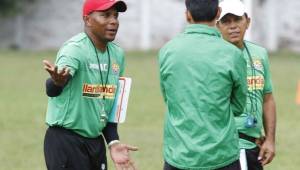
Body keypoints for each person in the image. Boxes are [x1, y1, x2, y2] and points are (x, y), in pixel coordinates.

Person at [42, 0, 138, 170]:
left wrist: (113, 142)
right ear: (87, 20)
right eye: (105, 15)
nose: (113, 21)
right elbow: (53, 88)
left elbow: (109, 104)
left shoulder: (117, 54)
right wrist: (57, 82)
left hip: (95, 142)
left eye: (115, 15)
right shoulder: (75, 49)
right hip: (66, 141)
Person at [158, 0, 248, 169]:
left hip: (179, 155)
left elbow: (169, 98)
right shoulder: (233, 54)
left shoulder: (167, 51)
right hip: (222, 156)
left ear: (187, 15)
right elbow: (238, 106)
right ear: (218, 13)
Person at [217, 0, 277, 169]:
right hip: (227, 145)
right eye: (226, 21)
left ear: (248, 21)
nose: (233, 26)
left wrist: (270, 139)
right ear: (217, 26)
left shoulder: (260, 54)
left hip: (253, 144)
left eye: (237, 20)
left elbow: (268, 98)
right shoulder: (213, 57)